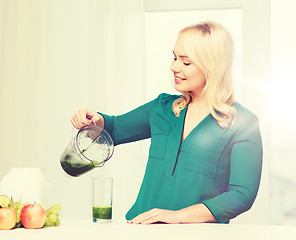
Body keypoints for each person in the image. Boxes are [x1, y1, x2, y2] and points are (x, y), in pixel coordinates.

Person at [71, 21, 263, 224]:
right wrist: (96, 120)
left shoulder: (244, 123)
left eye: (185, 62)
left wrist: (178, 216)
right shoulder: (161, 108)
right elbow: (115, 129)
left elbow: (241, 195)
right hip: (140, 230)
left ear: (212, 66)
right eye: (174, 57)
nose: (174, 67)